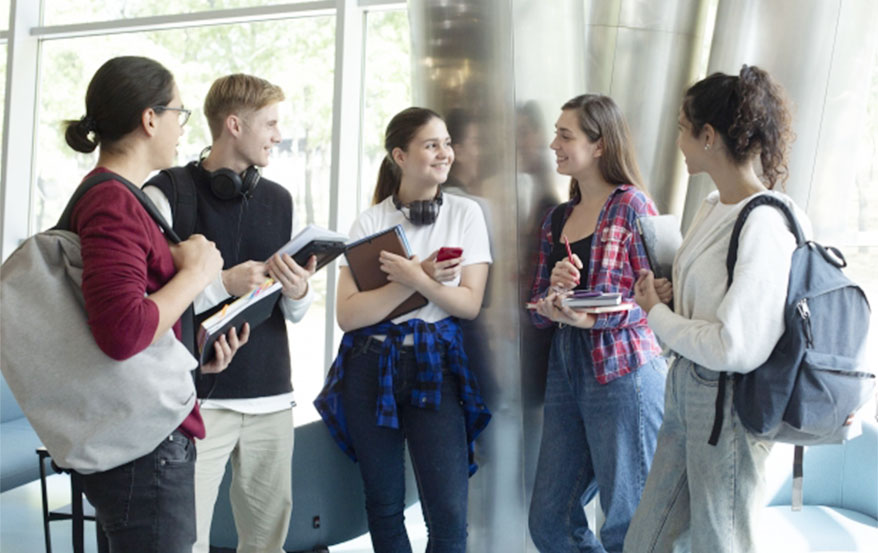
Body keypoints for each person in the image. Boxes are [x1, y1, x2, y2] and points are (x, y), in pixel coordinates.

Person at [63, 56, 249, 553]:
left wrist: (192, 353)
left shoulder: (120, 197)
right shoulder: (114, 202)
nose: (182, 129)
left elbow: (136, 314)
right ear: (150, 118)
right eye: (179, 115)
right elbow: (122, 330)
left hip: (140, 439)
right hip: (144, 450)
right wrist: (197, 273)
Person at [624, 65, 805, 553]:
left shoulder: (764, 221)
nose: (679, 140)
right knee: (646, 542)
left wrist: (655, 315)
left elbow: (735, 346)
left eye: (684, 128)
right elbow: (708, 308)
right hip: (688, 385)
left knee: (720, 543)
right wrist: (668, 299)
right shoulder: (712, 205)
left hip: (729, 398)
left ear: (708, 135)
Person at [144, 73, 316, 553]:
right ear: (235, 125)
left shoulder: (279, 199)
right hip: (196, 400)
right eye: (271, 123)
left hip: (270, 397)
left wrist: (298, 291)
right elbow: (144, 301)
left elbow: (294, 314)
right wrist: (222, 283)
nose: (279, 135)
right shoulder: (168, 193)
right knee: (184, 541)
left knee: (266, 543)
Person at [314, 107, 492, 553]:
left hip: (434, 366)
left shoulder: (465, 214)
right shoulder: (370, 222)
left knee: (448, 515)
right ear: (400, 155)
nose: (445, 153)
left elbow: (468, 304)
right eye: (432, 145)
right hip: (369, 366)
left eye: (447, 143)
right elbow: (349, 316)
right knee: (385, 506)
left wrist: (414, 279)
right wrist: (418, 280)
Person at [527, 94, 667, 553]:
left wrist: (592, 318)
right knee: (549, 521)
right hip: (567, 368)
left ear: (600, 144)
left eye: (565, 136)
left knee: (628, 524)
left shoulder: (633, 206)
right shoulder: (557, 218)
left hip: (624, 369)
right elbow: (537, 303)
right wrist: (554, 296)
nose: (554, 144)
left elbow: (656, 299)